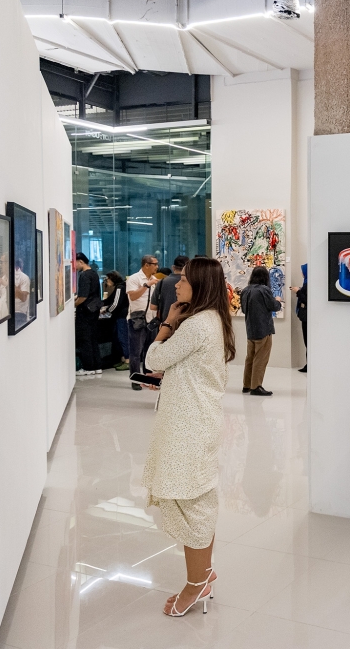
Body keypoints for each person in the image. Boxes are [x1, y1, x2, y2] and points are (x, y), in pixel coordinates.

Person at [141, 257, 237, 617]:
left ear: (200, 286)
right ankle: (204, 573)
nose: (177, 285)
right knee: (198, 500)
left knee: (190, 504)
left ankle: (196, 584)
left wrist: (166, 324)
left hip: (188, 426)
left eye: (183, 280)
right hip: (195, 422)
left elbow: (154, 358)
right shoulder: (211, 320)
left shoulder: (196, 325)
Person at [240, 267, 282, 396]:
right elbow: (273, 306)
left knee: (250, 358)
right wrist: (278, 301)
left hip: (250, 329)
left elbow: (243, 310)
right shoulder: (264, 290)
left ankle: (247, 385)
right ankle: (256, 386)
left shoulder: (246, 290)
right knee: (260, 359)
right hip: (264, 329)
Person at [126, 255, 160, 390]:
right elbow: (133, 296)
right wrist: (147, 285)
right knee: (136, 352)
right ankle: (135, 378)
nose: (157, 267)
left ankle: (148, 376)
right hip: (137, 319)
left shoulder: (154, 280)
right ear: (146, 265)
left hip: (151, 319)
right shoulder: (134, 278)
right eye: (155, 264)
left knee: (149, 350)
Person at [74, 252, 102, 377]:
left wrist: (74, 304)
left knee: (85, 339)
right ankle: (97, 366)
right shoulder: (94, 273)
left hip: (85, 311)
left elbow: (83, 296)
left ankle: (88, 367)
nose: (74, 266)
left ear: (80, 261)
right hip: (94, 310)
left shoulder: (84, 275)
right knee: (93, 339)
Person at [101, 271, 130, 371]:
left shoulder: (120, 288)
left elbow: (116, 303)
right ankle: (123, 358)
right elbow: (111, 299)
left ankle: (127, 360)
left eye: (107, 279)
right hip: (122, 315)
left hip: (121, 316)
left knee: (123, 338)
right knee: (120, 338)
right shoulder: (122, 286)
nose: (107, 282)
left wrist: (107, 310)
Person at [149, 255, 190, 323]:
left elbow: (153, 307)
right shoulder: (191, 282)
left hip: (165, 323)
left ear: (173, 267)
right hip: (186, 322)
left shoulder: (162, 282)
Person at [290, 263, 307, 373]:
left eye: (302, 271)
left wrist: (298, 292)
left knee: (308, 340)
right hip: (305, 316)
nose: (301, 273)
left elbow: (307, 299)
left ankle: (309, 364)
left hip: (307, 317)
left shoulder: (309, 284)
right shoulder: (307, 283)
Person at [14, 257, 31, 329]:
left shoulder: (24, 278)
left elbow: (23, 297)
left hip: (20, 314)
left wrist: (15, 290)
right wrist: (17, 290)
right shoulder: (7, 277)